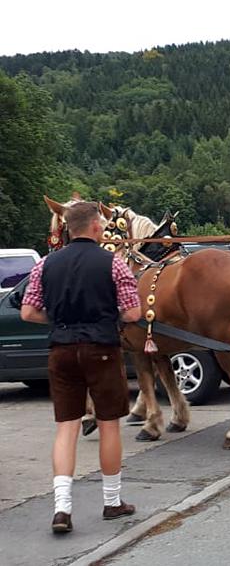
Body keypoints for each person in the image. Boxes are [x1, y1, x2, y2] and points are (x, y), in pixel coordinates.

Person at [20, 201, 141, 534]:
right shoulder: (113, 263)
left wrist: (59, 320)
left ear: (67, 229)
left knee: (66, 428)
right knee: (109, 426)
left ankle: (62, 510)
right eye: (101, 224)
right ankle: (113, 501)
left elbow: (28, 313)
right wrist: (107, 317)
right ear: (95, 227)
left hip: (61, 350)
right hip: (101, 349)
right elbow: (132, 314)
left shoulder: (44, 266)